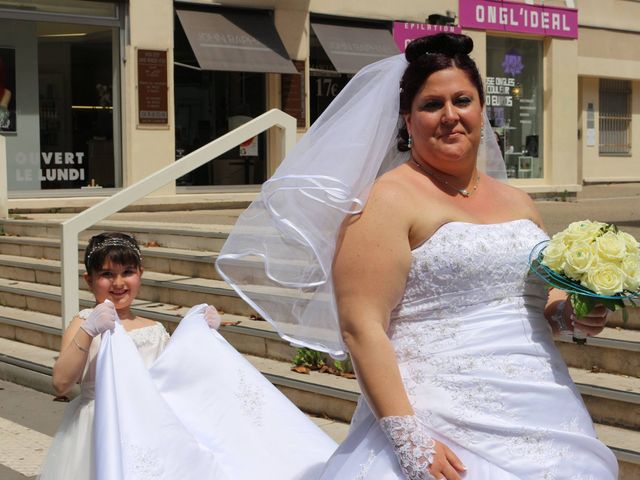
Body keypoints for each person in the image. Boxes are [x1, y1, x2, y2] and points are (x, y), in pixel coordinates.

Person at [217, 33, 617, 479]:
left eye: (462, 100)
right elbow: (361, 326)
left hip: (544, 408)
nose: (450, 116)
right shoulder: (386, 200)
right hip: (440, 420)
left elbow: (529, 301)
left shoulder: (519, 202)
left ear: (482, 110)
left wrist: (567, 314)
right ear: (407, 119)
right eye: (431, 105)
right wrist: (410, 439)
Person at [39, 232, 221, 479]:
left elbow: (182, 382)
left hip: (146, 430)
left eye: (127, 272)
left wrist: (204, 335)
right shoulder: (84, 322)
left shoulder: (156, 331)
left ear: (140, 274)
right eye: (106, 274)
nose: (118, 283)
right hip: (97, 430)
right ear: (89, 280)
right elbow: (61, 383)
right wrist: (89, 331)